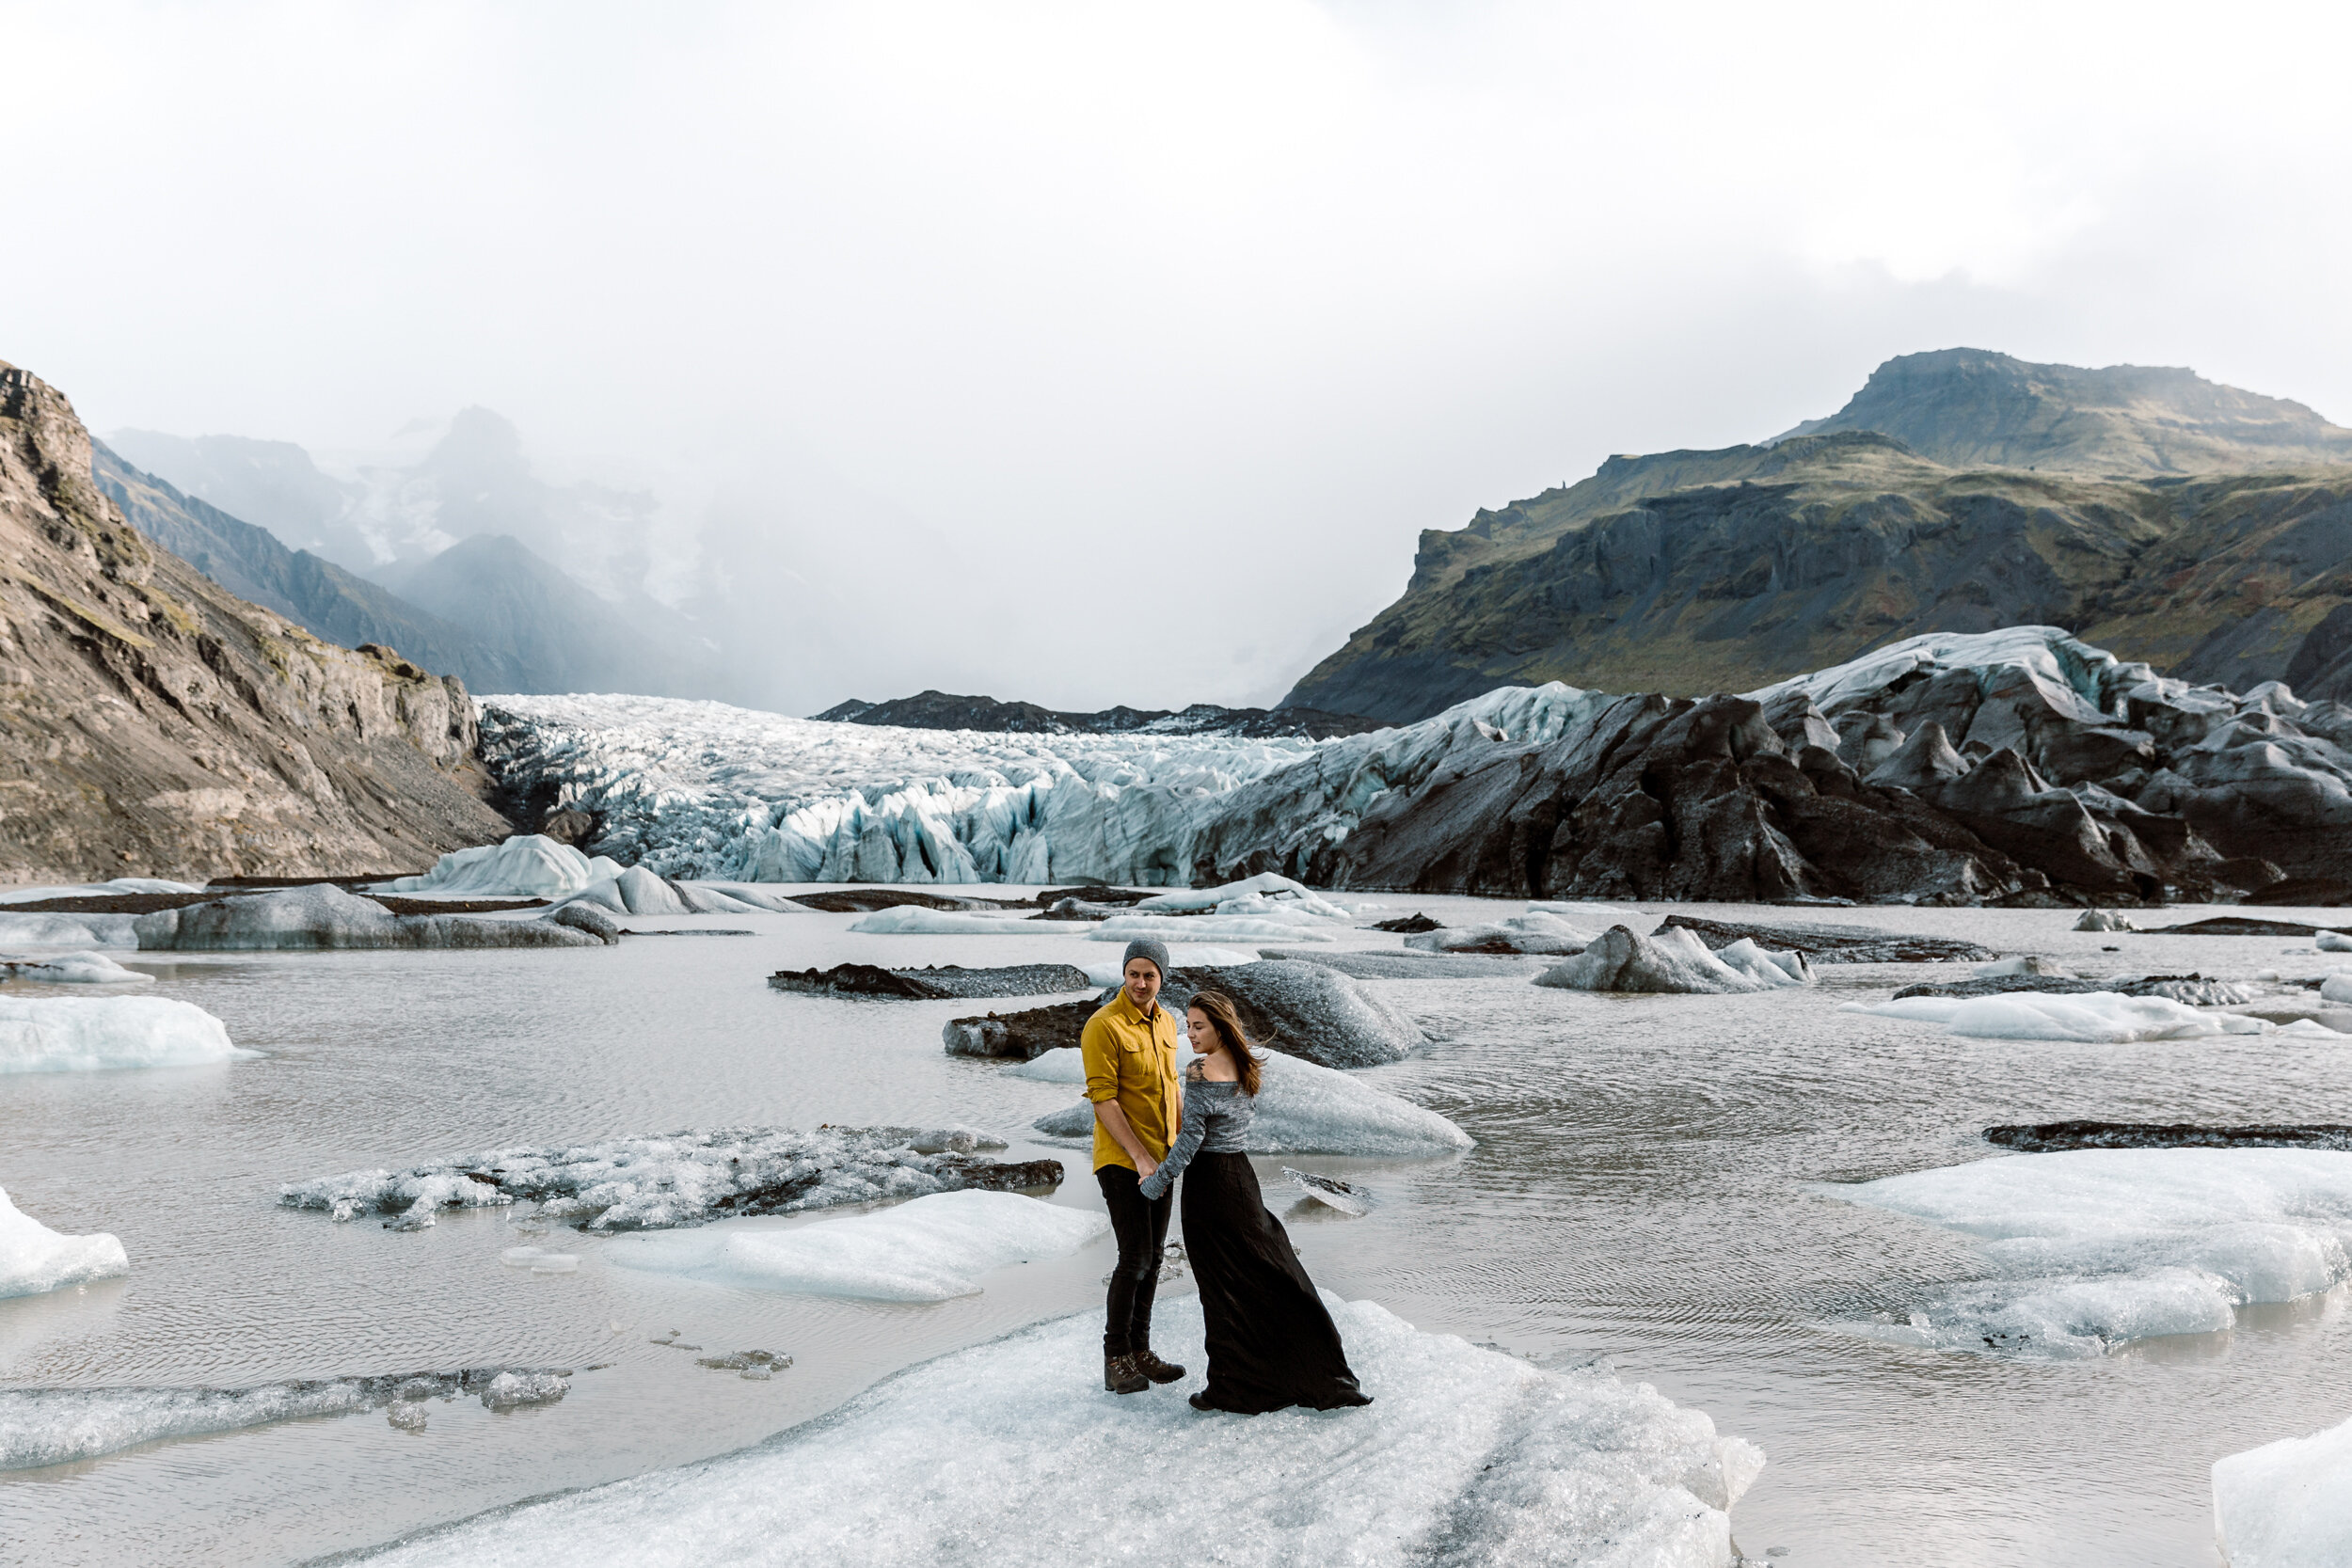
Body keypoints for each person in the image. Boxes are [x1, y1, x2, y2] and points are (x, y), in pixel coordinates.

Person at [1138, 990, 1372, 1414]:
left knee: (1220, 1285)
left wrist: (1155, 1184)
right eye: (1187, 1025)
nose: (1189, 1034)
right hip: (1241, 1181)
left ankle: (1232, 1387)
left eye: (1198, 1026)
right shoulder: (1246, 1066)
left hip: (1210, 1186)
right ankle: (1307, 1369)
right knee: (1267, 1272)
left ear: (1220, 1026)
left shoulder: (1201, 1069)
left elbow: (1191, 1140)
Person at [1082, 937, 1186, 1396]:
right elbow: (1102, 1098)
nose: (1141, 983)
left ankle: (1142, 1351)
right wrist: (1141, 1157)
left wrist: (1181, 1147)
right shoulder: (1103, 1025)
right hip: (1123, 1162)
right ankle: (1116, 1359)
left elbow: (1170, 1088)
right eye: (1133, 974)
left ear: (1162, 977)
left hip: (1161, 1160)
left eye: (1149, 974)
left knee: (1156, 1257)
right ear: (1123, 975)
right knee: (1135, 1257)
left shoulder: (1166, 1023)